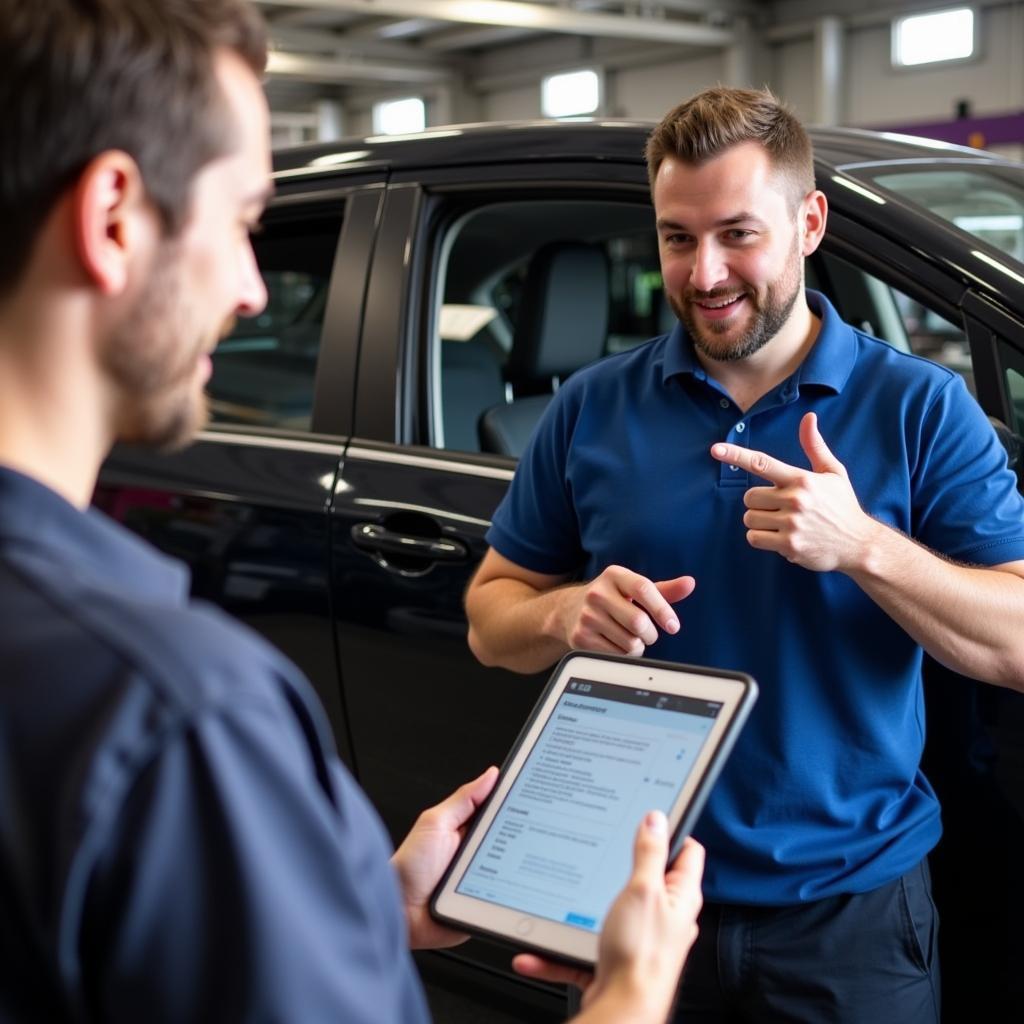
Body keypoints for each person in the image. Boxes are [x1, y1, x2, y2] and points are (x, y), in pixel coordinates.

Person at [0, 2, 706, 1022]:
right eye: (245, 222)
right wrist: (634, 990)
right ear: (112, 215)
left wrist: (356, 905)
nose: (253, 290)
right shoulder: (182, 714)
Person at [465, 86, 1024, 1022]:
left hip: (848, 919)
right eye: (677, 239)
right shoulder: (593, 409)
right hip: (636, 906)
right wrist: (560, 615)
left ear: (810, 222)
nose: (705, 272)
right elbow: (490, 617)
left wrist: (865, 549)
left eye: (738, 234)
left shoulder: (921, 410)